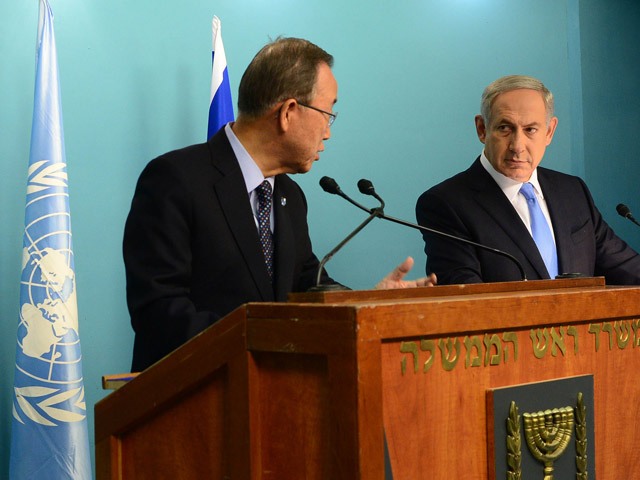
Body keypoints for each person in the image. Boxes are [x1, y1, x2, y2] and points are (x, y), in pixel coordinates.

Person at [124, 37, 436, 372]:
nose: (328, 132)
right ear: (288, 112)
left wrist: (366, 303)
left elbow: (308, 283)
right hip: (193, 397)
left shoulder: (290, 196)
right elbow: (159, 312)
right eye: (328, 113)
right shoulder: (176, 180)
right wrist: (265, 339)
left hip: (275, 397)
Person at [415, 74, 640, 286]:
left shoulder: (572, 191)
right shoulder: (446, 204)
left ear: (549, 132)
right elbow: (467, 303)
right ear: (482, 129)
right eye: (505, 128)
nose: (517, 146)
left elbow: (627, 269)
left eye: (530, 129)